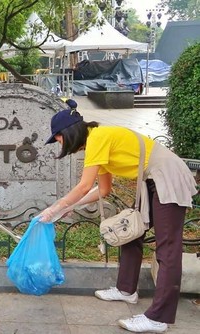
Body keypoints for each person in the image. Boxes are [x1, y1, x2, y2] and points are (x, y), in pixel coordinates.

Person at [39, 100, 197, 333]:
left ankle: (158, 318)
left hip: (167, 175)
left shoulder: (98, 138)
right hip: (150, 180)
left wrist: (56, 207)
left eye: (58, 137)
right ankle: (126, 290)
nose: (58, 143)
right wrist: (65, 208)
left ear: (68, 132)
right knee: (131, 230)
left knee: (168, 248)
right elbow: (102, 190)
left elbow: (83, 187)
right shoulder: (96, 141)